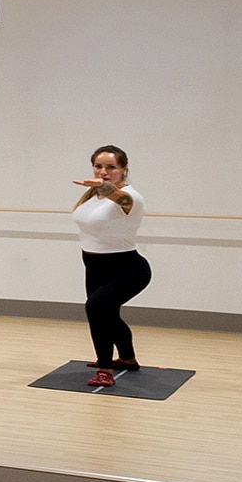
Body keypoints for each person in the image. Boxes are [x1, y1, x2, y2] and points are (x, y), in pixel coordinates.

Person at [72, 145, 150, 388]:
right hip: (94, 265)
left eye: (111, 167)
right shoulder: (92, 197)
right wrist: (99, 188)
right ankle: (127, 358)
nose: (103, 171)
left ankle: (105, 368)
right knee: (106, 315)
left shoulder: (131, 197)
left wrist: (104, 186)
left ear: (124, 169)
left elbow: (121, 198)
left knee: (95, 309)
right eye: (98, 166)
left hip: (128, 268)